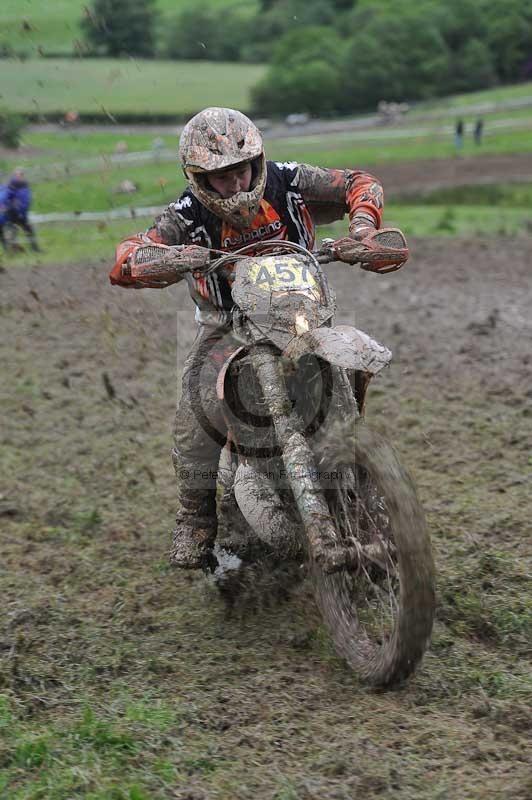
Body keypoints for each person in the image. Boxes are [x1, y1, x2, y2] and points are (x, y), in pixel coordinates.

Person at [109, 106, 402, 569]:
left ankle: (360, 465)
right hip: (227, 326)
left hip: (301, 313)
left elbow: (357, 183)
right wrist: (165, 258)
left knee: (346, 360)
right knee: (195, 403)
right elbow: (128, 255)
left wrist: (362, 229)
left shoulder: (290, 180)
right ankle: (195, 517)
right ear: (198, 179)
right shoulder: (185, 215)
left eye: (242, 170)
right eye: (221, 176)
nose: (236, 184)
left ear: (257, 161)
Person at [0, 168, 40, 252]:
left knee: (27, 229)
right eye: (17, 175)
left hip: (19, 213)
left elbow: (25, 199)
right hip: (12, 212)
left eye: (21, 175)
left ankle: (34, 249)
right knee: (11, 230)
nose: (19, 176)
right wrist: (3, 205)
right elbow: (5, 196)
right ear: (14, 176)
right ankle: (10, 250)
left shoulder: (24, 185)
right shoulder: (11, 185)